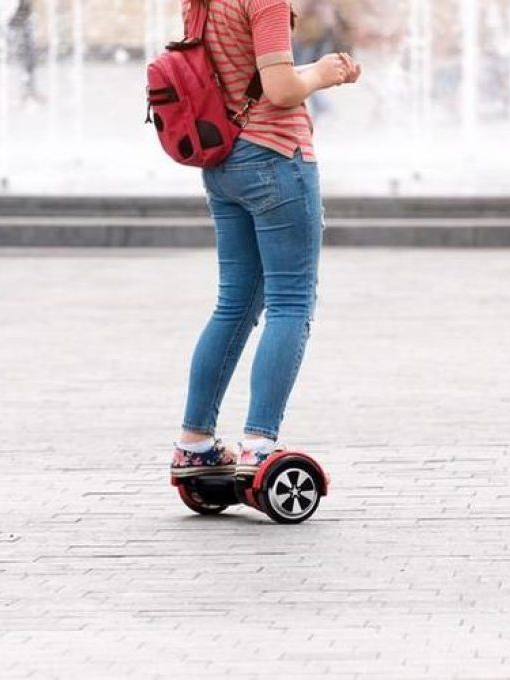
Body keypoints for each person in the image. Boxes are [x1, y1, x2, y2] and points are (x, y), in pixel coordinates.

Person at [170, 0, 361, 480]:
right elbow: (280, 89)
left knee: (233, 304)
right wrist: (322, 72)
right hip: (276, 157)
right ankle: (258, 444)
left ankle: (195, 443)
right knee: (290, 301)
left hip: (223, 162)